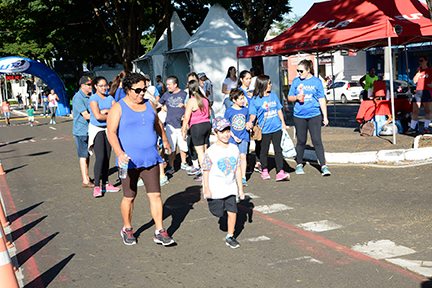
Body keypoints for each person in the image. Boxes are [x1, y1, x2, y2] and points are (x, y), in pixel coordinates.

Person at [106, 72, 175, 246]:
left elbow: (158, 124)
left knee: (156, 195)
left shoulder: (150, 105)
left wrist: (165, 140)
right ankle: (127, 228)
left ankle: (159, 230)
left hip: (150, 159)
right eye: (138, 90)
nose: (141, 93)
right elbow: (111, 132)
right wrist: (119, 152)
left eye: (144, 89)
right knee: (129, 196)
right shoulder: (118, 107)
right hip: (128, 161)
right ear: (128, 89)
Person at [202, 117, 245, 249]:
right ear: (216, 133)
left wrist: (240, 189)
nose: (226, 134)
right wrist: (206, 189)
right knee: (218, 212)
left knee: (233, 211)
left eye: (227, 131)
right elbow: (205, 171)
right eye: (222, 132)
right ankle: (220, 212)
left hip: (230, 186)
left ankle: (230, 236)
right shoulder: (211, 151)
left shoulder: (234, 148)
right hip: (216, 188)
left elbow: (237, 168)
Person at [287, 59, 331, 176]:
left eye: (301, 71)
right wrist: (296, 97)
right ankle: (299, 164)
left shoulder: (316, 82)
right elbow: (289, 97)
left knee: (317, 140)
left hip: (314, 115)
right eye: (297, 71)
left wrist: (325, 116)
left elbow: (321, 99)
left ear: (308, 70)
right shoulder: (296, 82)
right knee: (301, 140)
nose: (299, 73)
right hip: (299, 116)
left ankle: (323, 166)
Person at [246, 75, 290, 181]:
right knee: (264, 151)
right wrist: (250, 122)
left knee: (278, 150)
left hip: (276, 128)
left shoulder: (273, 95)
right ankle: (264, 170)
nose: (271, 85)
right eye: (269, 83)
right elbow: (253, 114)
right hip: (264, 130)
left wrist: (283, 122)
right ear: (263, 84)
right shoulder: (255, 100)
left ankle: (280, 171)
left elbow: (279, 109)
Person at [88, 76, 120, 197]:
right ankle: (97, 186)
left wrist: (106, 112)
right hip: (97, 130)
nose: (104, 88)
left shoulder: (110, 97)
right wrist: (107, 113)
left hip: (109, 129)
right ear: (95, 86)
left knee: (107, 157)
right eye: (101, 86)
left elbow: (117, 111)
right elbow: (97, 116)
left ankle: (106, 183)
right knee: (100, 157)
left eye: (105, 85)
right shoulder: (93, 98)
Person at [181, 79, 211, 182]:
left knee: (200, 152)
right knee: (205, 150)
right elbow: (209, 114)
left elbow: (186, 117)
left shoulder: (191, 101)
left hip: (197, 127)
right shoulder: (205, 100)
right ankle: (209, 171)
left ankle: (204, 173)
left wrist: (183, 130)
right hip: (207, 124)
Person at [159, 76, 189, 174]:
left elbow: (190, 107)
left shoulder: (184, 94)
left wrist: (185, 111)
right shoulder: (166, 95)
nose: (167, 86)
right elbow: (158, 104)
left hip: (181, 124)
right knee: (171, 146)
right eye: (167, 84)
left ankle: (183, 163)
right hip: (170, 124)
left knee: (183, 145)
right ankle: (171, 166)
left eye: (169, 84)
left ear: (175, 85)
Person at [224, 89, 250, 186]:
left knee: (243, 156)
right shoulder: (229, 111)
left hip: (244, 136)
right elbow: (226, 125)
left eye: (243, 98)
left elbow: (247, 122)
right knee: (233, 157)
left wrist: (249, 125)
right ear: (234, 100)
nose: (243, 100)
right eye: (240, 99)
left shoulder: (245, 110)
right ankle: (232, 176)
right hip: (232, 137)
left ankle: (243, 177)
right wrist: (233, 137)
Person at [72, 76, 94, 188]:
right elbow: (86, 115)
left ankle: (87, 176)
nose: (91, 86)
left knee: (88, 154)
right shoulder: (78, 98)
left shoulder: (91, 96)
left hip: (90, 130)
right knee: (83, 155)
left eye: (91, 84)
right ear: (82, 85)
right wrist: (102, 116)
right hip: (81, 131)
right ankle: (85, 179)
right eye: (88, 85)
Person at [407, 56, 432, 134]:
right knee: (415, 111)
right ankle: (412, 127)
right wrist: (418, 72)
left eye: (422, 60)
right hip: (418, 91)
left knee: (427, 110)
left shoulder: (430, 70)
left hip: (426, 91)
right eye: (419, 61)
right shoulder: (419, 71)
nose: (420, 62)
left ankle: (426, 127)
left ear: (426, 61)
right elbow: (414, 81)